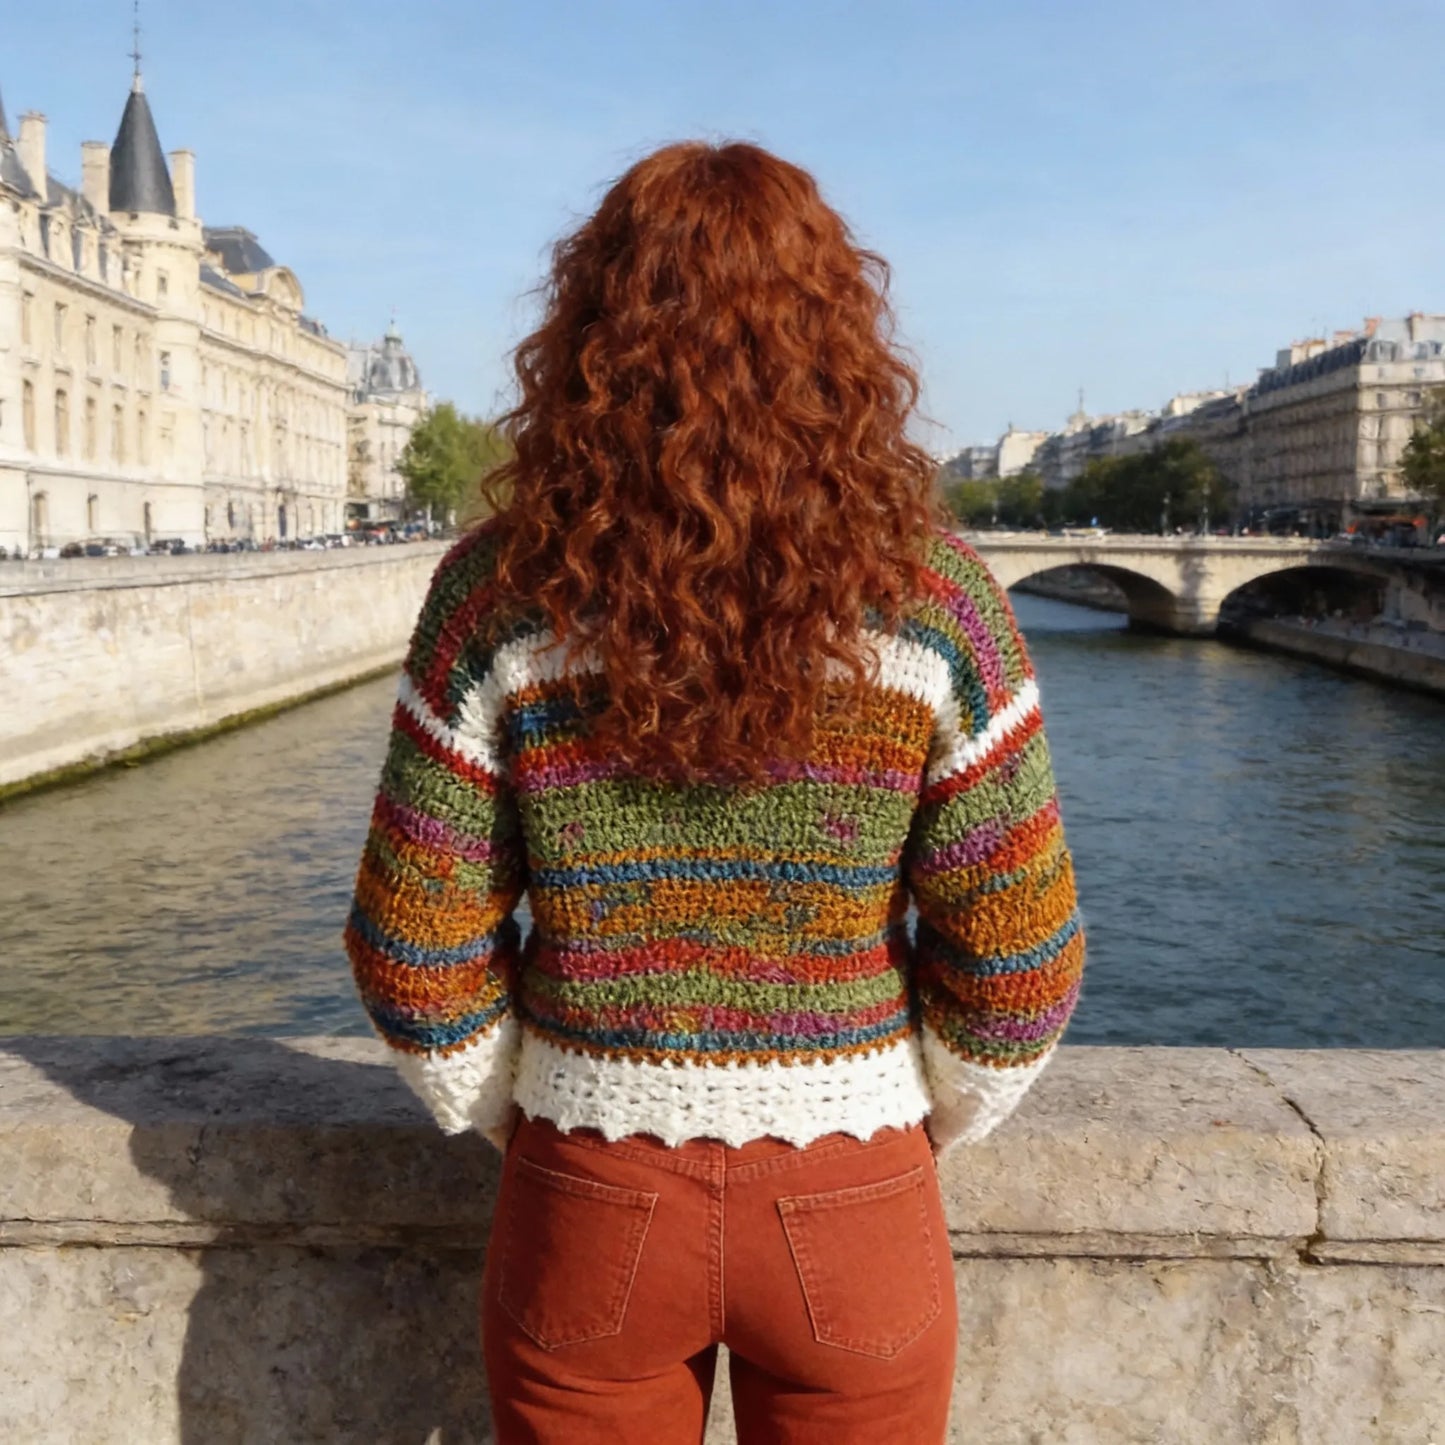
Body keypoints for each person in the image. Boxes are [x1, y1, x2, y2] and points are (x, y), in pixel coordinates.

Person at [343, 141, 1085, 1445]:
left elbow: (414, 950)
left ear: (590, 334)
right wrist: (884, 1120)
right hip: (854, 1193)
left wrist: (551, 1109)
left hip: (588, 1183)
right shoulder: (941, 604)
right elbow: (1018, 965)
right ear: (839, 342)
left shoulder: (497, 596)